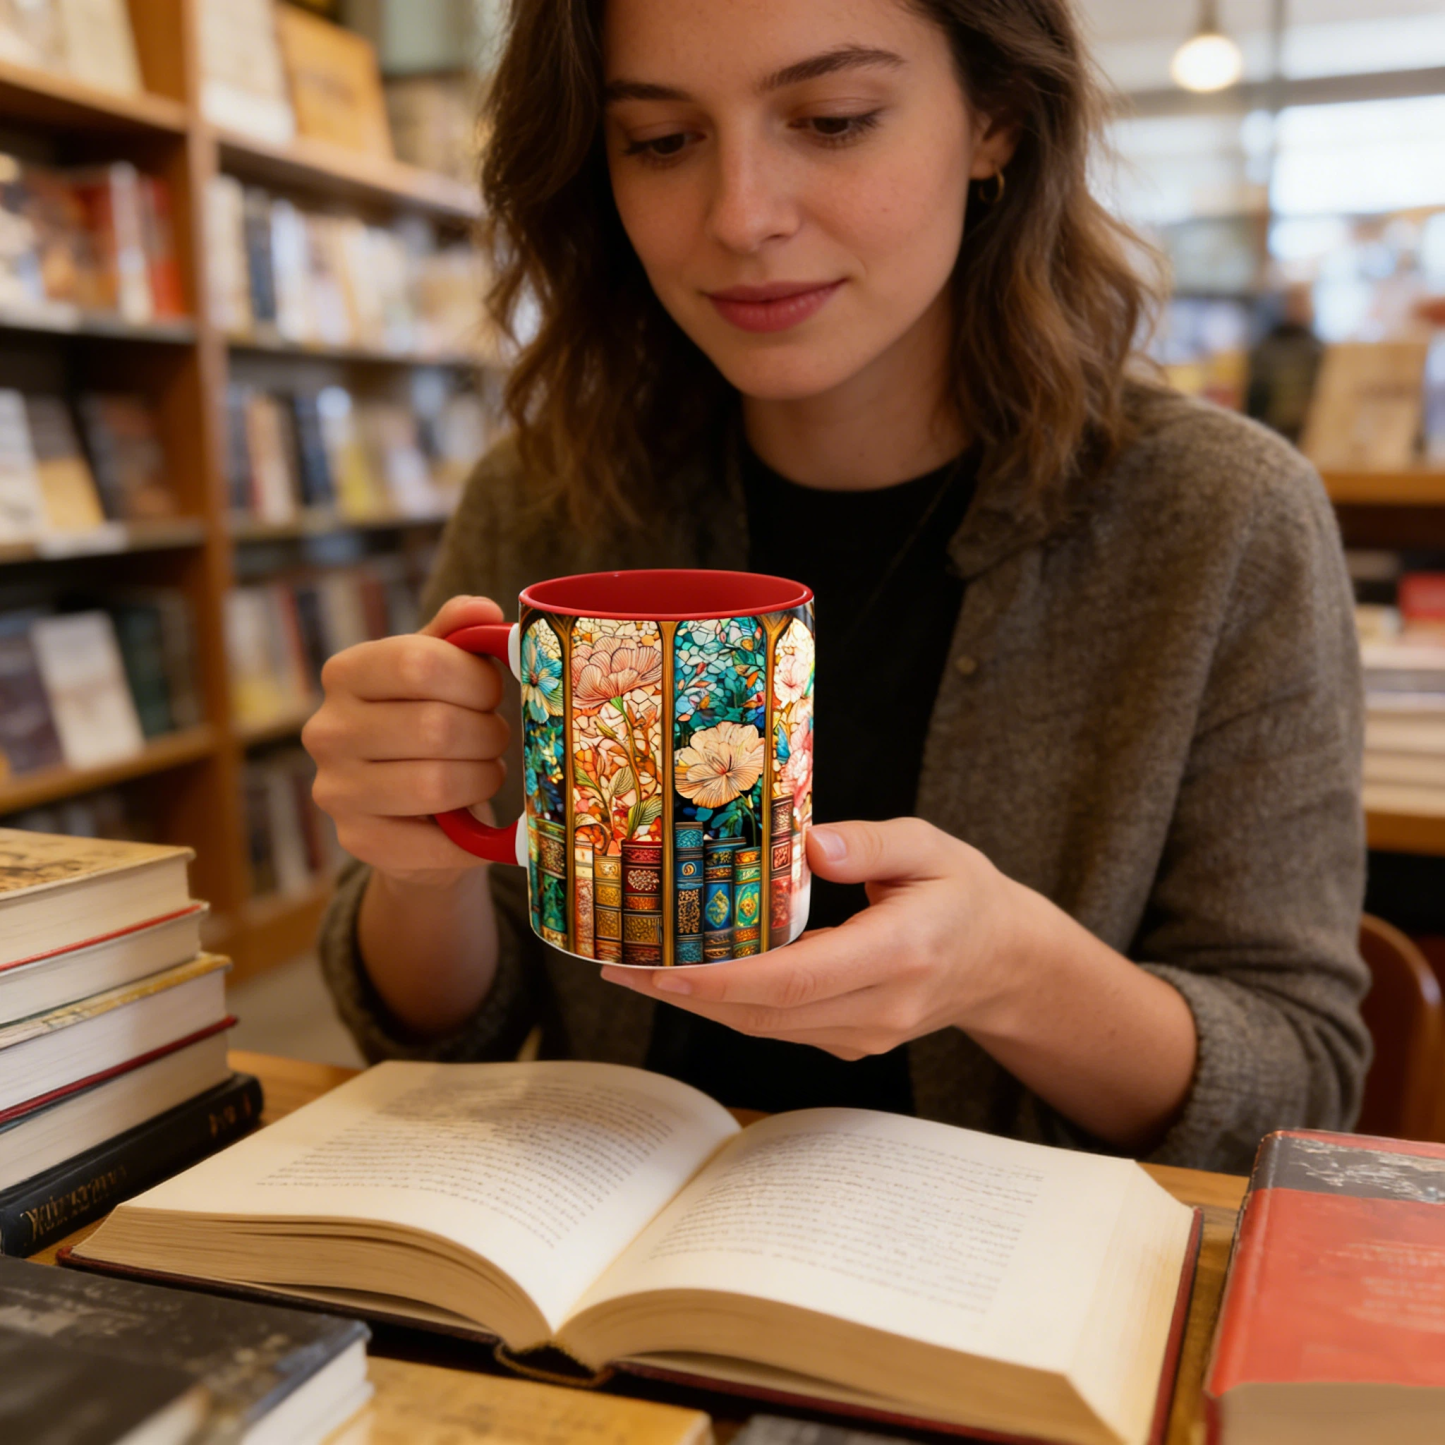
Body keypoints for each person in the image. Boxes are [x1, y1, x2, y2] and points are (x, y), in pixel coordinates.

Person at [305, 0, 1369, 1174]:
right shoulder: (552, 494)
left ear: (996, 124)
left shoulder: (1215, 516)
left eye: (832, 119)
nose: (741, 216)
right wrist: (416, 869)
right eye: (660, 142)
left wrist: (1013, 970)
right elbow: (438, 1037)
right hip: (588, 1291)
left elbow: (1296, 1091)